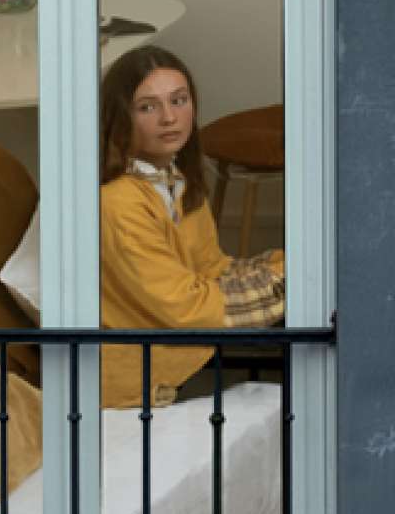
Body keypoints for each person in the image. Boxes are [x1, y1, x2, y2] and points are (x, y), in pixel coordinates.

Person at [98, 46, 284, 409]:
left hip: (182, 352)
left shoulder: (174, 178)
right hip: (146, 378)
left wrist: (285, 266)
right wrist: (289, 283)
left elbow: (212, 269)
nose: (169, 118)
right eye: (148, 107)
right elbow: (185, 307)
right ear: (121, 118)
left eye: (179, 100)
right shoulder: (118, 203)